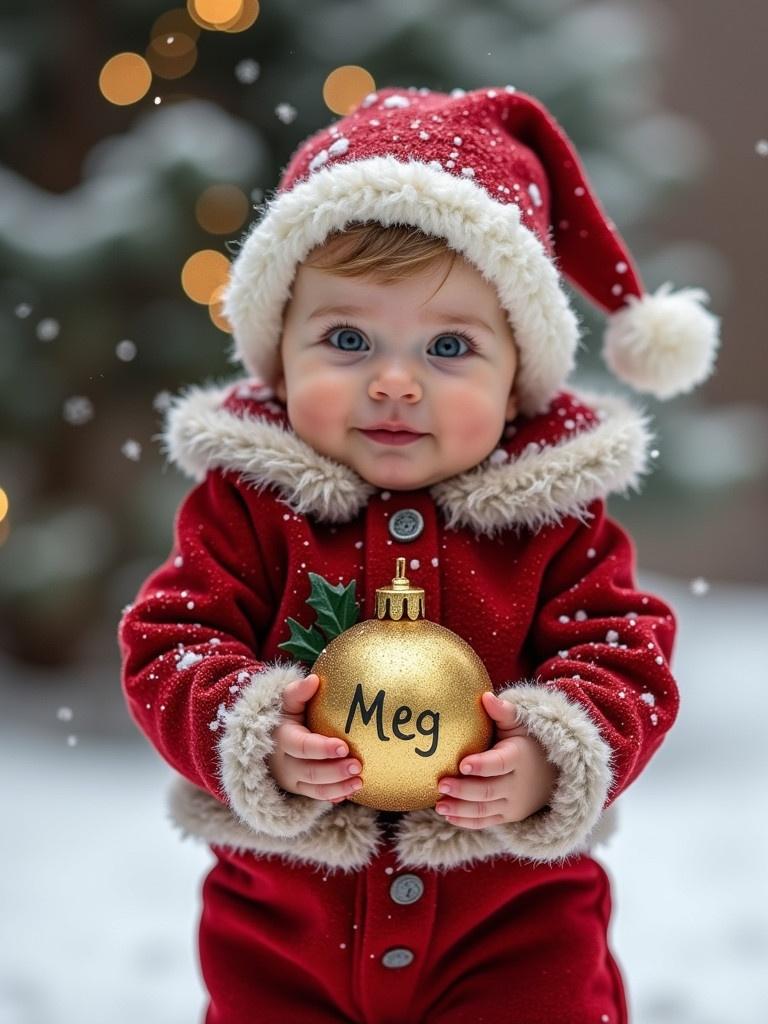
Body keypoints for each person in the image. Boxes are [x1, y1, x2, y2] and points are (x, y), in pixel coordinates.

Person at [119, 85, 720, 1023]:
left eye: (448, 347)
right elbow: (172, 640)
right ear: (278, 350)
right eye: (348, 339)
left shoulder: (554, 518)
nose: (394, 383)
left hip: (513, 924)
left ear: (518, 374)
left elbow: (626, 653)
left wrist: (552, 757)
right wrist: (250, 734)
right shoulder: (249, 505)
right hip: (283, 925)